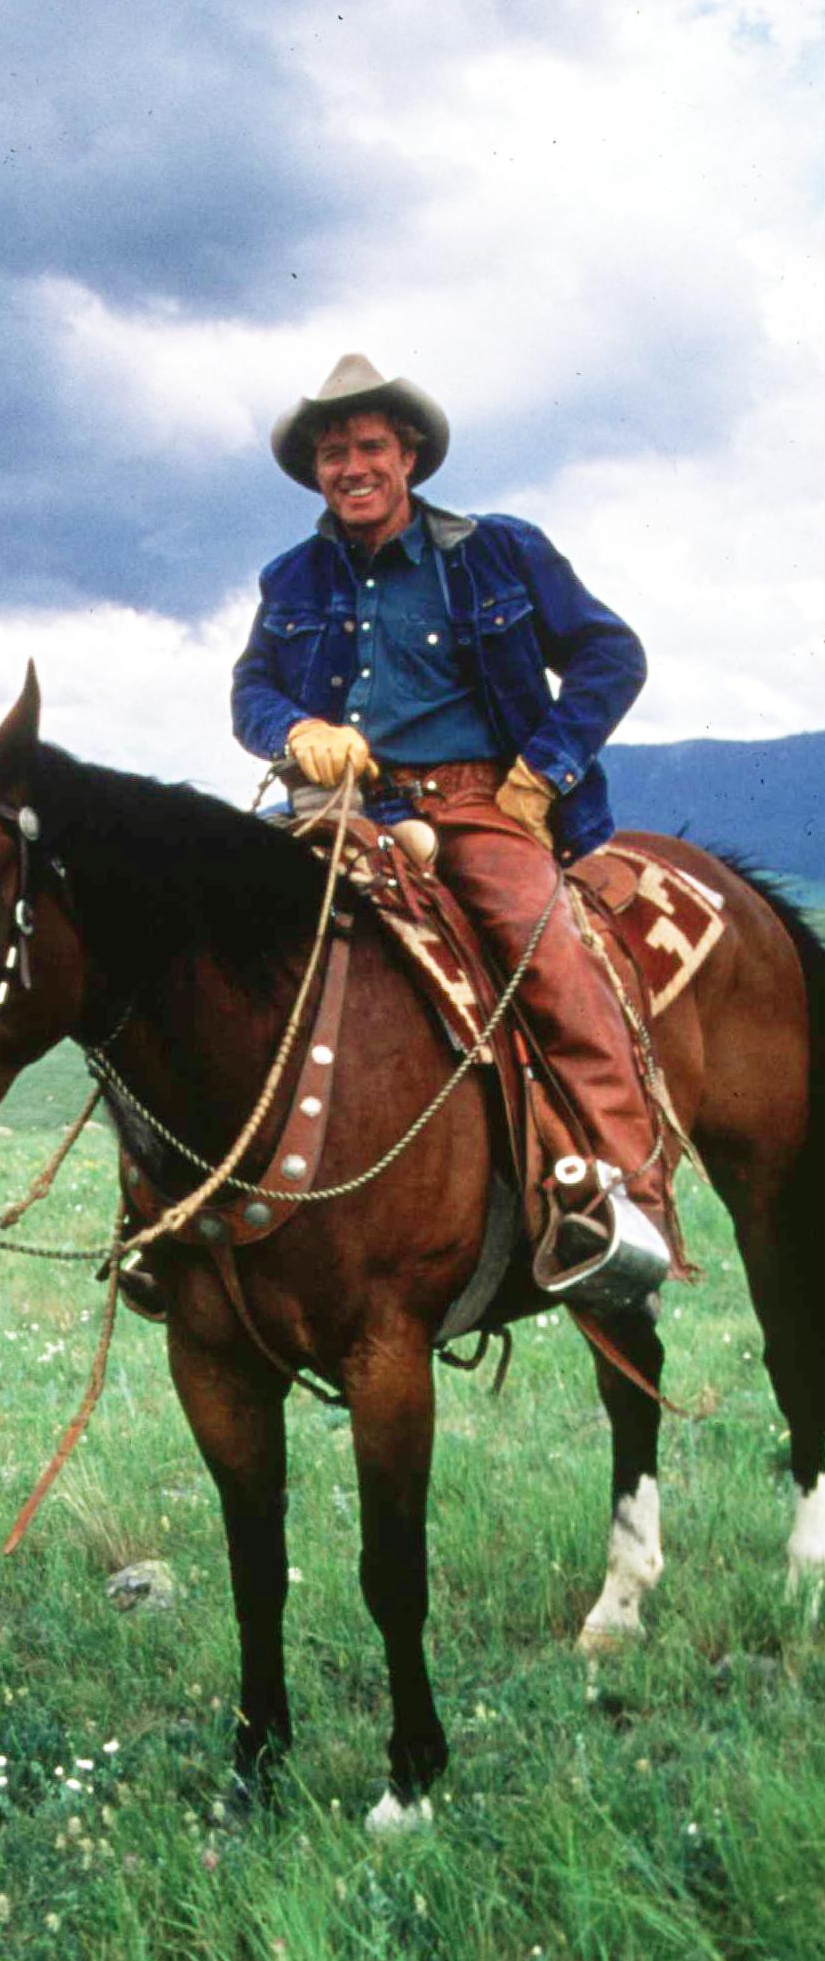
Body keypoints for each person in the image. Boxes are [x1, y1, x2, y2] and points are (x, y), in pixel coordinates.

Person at [230, 352, 670, 1301]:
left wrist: (542, 774)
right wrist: (297, 729)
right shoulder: (291, 579)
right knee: (208, 939)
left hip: (478, 805)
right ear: (316, 470)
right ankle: (175, 1218)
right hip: (339, 809)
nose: (352, 467)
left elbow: (610, 654)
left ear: (409, 454)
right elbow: (251, 691)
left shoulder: (498, 552)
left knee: (549, 958)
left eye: (370, 447)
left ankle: (628, 1208)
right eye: (333, 452)